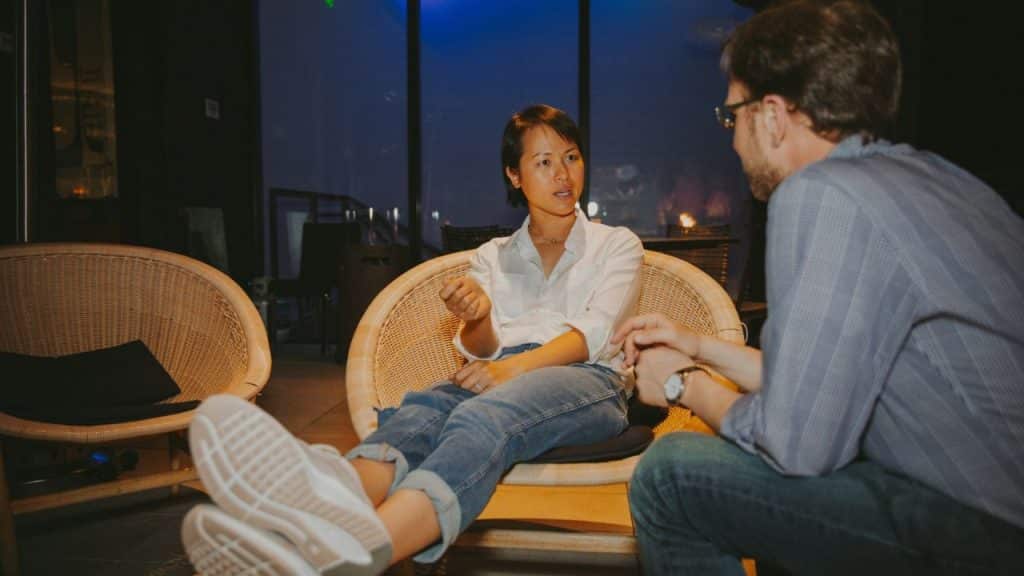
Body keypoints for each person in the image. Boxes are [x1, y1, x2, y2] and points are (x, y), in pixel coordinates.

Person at [611, 1, 1024, 575]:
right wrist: (698, 344)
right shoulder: (937, 179)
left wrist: (683, 384)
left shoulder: (824, 194)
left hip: (983, 526)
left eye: (733, 117)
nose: (732, 142)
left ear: (773, 115)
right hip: (993, 497)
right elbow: (819, 386)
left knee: (671, 476)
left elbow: (796, 443)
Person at [180, 104, 643, 575]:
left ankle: (356, 552)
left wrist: (510, 369)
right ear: (514, 175)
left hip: (586, 380)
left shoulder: (616, 244)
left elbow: (596, 333)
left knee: (482, 416)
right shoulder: (492, 256)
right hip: (497, 371)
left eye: (571, 157)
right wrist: (478, 317)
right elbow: (482, 348)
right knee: (418, 412)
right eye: (543, 162)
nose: (563, 173)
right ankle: (308, 523)